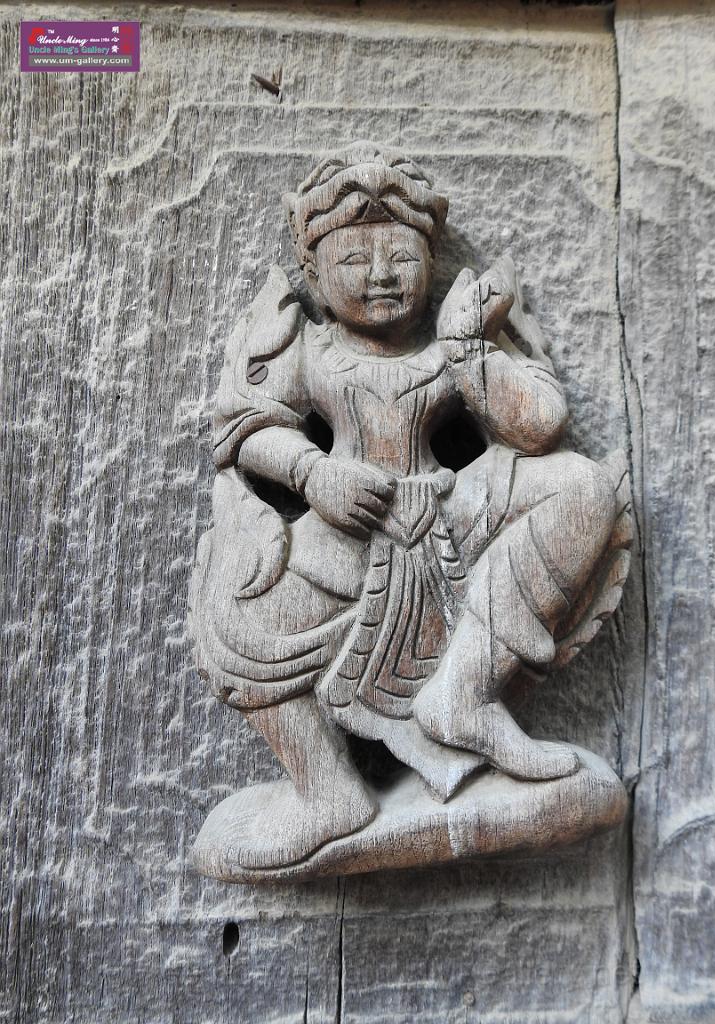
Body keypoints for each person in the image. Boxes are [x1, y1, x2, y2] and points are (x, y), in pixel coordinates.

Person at [190, 141, 623, 869]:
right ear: (314, 274)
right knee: (237, 622)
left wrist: (467, 347)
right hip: (347, 530)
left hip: (449, 514)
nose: (381, 276)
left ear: (433, 260)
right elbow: (246, 427)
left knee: (581, 488)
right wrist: (313, 473)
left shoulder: (453, 339)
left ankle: (465, 693)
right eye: (354, 261)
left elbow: (539, 427)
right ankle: (325, 791)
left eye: (400, 257)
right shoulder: (308, 345)